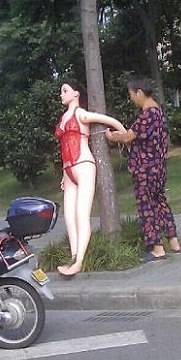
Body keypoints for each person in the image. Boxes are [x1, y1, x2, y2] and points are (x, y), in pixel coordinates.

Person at [55, 79, 127, 277]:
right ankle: (74, 256)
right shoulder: (63, 117)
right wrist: (64, 173)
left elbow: (108, 120)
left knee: (81, 214)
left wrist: (123, 134)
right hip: (69, 169)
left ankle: (79, 260)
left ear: (76, 93)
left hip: (84, 164)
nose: (62, 94)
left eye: (65, 90)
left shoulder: (80, 114)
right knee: (69, 216)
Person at [106, 74, 181, 261]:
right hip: (159, 168)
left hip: (145, 170)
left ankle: (157, 247)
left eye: (131, 94)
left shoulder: (147, 116)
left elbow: (127, 137)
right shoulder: (159, 113)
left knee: (146, 206)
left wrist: (111, 137)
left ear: (139, 93)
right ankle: (173, 240)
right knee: (160, 202)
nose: (131, 98)